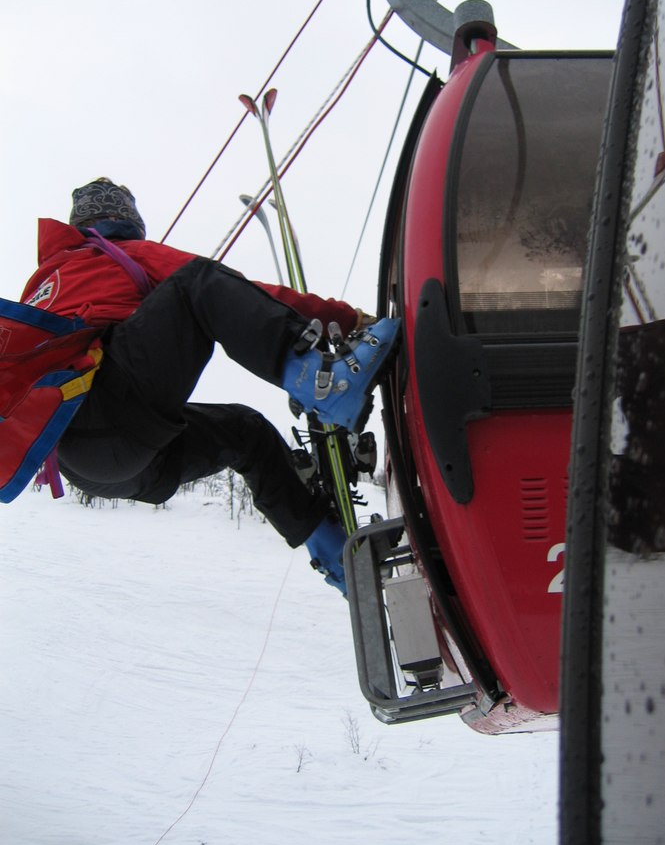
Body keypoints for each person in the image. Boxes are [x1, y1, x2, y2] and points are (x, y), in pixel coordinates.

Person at [21, 178, 400, 594]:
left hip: (81, 462)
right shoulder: (118, 253)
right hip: (114, 409)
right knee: (196, 281)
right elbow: (241, 292)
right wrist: (346, 318)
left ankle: (338, 558)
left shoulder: (40, 284)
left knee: (245, 432)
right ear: (125, 219)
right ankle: (322, 383)